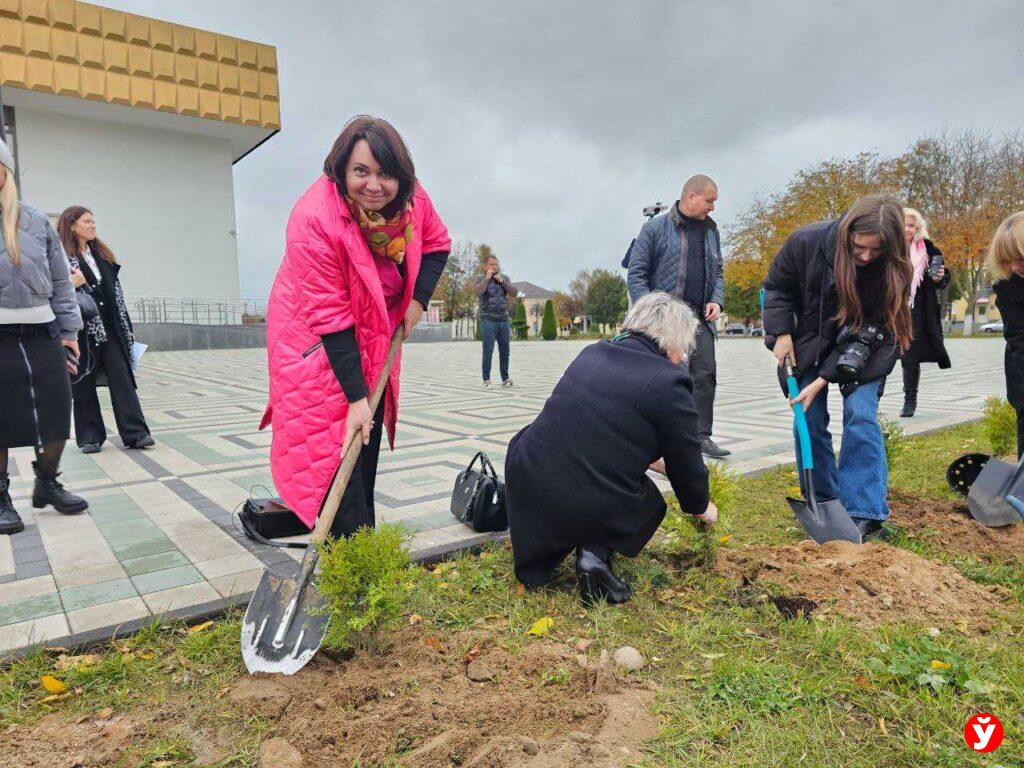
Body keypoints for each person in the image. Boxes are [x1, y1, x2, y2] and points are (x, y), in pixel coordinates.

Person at [261, 116, 450, 537]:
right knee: (331, 459)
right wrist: (355, 398)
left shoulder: (412, 201)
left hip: (374, 339)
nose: (374, 185)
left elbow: (438, 243)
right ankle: (348, 572)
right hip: (314, 345)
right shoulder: (313, 219)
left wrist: (417, 299)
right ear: (341, 168)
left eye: (386, 174)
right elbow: (329, 316)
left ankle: (361, 558)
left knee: (363, 453)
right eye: (361, 171)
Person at [505, 292, 716, 603]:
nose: (683, 357)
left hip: (527, 477)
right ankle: (593, 556)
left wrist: (655, 460)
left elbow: (597, 431)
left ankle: (539, 558)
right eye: (683, 346)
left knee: (574, 467)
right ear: (670, 339)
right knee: (646, 502)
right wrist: (700, 506)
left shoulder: (592, 353)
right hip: (580, 499)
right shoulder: (670, 382)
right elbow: (686, 462)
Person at [763, 194, 913, 540]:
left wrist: (826, 377)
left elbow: (882, 328)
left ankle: (864, 510)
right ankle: (825, 499)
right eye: (859, 247)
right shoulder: (807, 242)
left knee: (861, 414)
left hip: (868, 346)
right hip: (807, 344)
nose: (865, 257)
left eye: (875, 251)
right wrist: (781, 333)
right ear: (848, 233)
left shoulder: (894, 266)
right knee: (808, 419)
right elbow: (778, 288)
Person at [0, 141, 88, 535]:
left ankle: (47, 482)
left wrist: (69, 331)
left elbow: (60, 283)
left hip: (43, 330)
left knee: (56, 409)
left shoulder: (34, 221)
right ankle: (1, 497)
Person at [627, 174, 728, 458]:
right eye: (709, 201)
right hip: (666, 323)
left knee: (705, 375)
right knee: (669, 379)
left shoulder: (711, 231)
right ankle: (662, 440)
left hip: (701, 319)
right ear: (691, 196)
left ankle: (701, 437)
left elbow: (719, 271)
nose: (712, 207)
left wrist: (716, 300)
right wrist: (651, 316)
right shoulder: (655, 228)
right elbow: (636, 274)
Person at [57, 207, 154, 453]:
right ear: (72, 225)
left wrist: (127, 328)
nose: (92, 225)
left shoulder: (101, 255)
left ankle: (136, 433)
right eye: (87, 221)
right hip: (80, 331)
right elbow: (52, 291)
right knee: (83, 382)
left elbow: (117, 296)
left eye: (93, 221)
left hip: (111, 328)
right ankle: (90, 437)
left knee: (122, 378)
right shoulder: (59, 257)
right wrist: (72, 283)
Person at [896, 207, 951, 417]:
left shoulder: (928, 250)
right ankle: (875, 396)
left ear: (918, 228)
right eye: (904, 224)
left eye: (911, 225)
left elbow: (942, 279)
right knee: (883, 353)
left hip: (917, 311)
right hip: (890, 309)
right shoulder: (887, 248)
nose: (907, 229)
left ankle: (910, 399)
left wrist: (939, 278)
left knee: (910, 356)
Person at [987, 211, 1024, 457]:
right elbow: (1018, 337)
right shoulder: (1008, 286)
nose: (1015, 266)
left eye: (1020, 258)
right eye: (1008, 260)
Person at [473, 253, 518, 387]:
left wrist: (502, 281)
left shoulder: (504, 278)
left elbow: (514, 293)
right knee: (488, 350)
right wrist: (487, 278)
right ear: (485, 266)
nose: (494, 267)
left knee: (505, 351)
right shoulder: (480, 278)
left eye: (496, 264)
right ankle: (486, 379)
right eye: (491, 264)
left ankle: (505, 378)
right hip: (488, 320)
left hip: (503, 319)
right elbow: (477, 292)